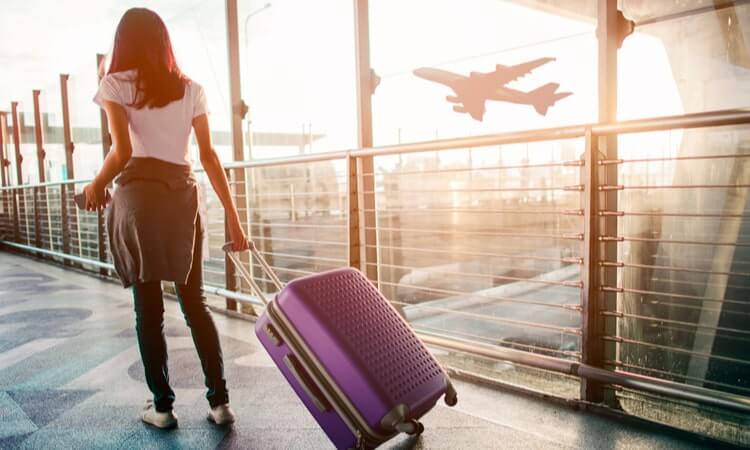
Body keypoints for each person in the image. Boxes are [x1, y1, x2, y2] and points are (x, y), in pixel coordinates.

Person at [83, 7, 249, 429]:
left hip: (139, 202)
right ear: (163, 42)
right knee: (195, 304)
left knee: (149, 312)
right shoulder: (191, 89)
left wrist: (95, 186)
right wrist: (234, 217)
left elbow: (121, 153)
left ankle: (162, 406)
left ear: (123, 43)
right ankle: (220, 403)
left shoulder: (114, 85)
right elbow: (209, 156)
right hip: (182, 201)